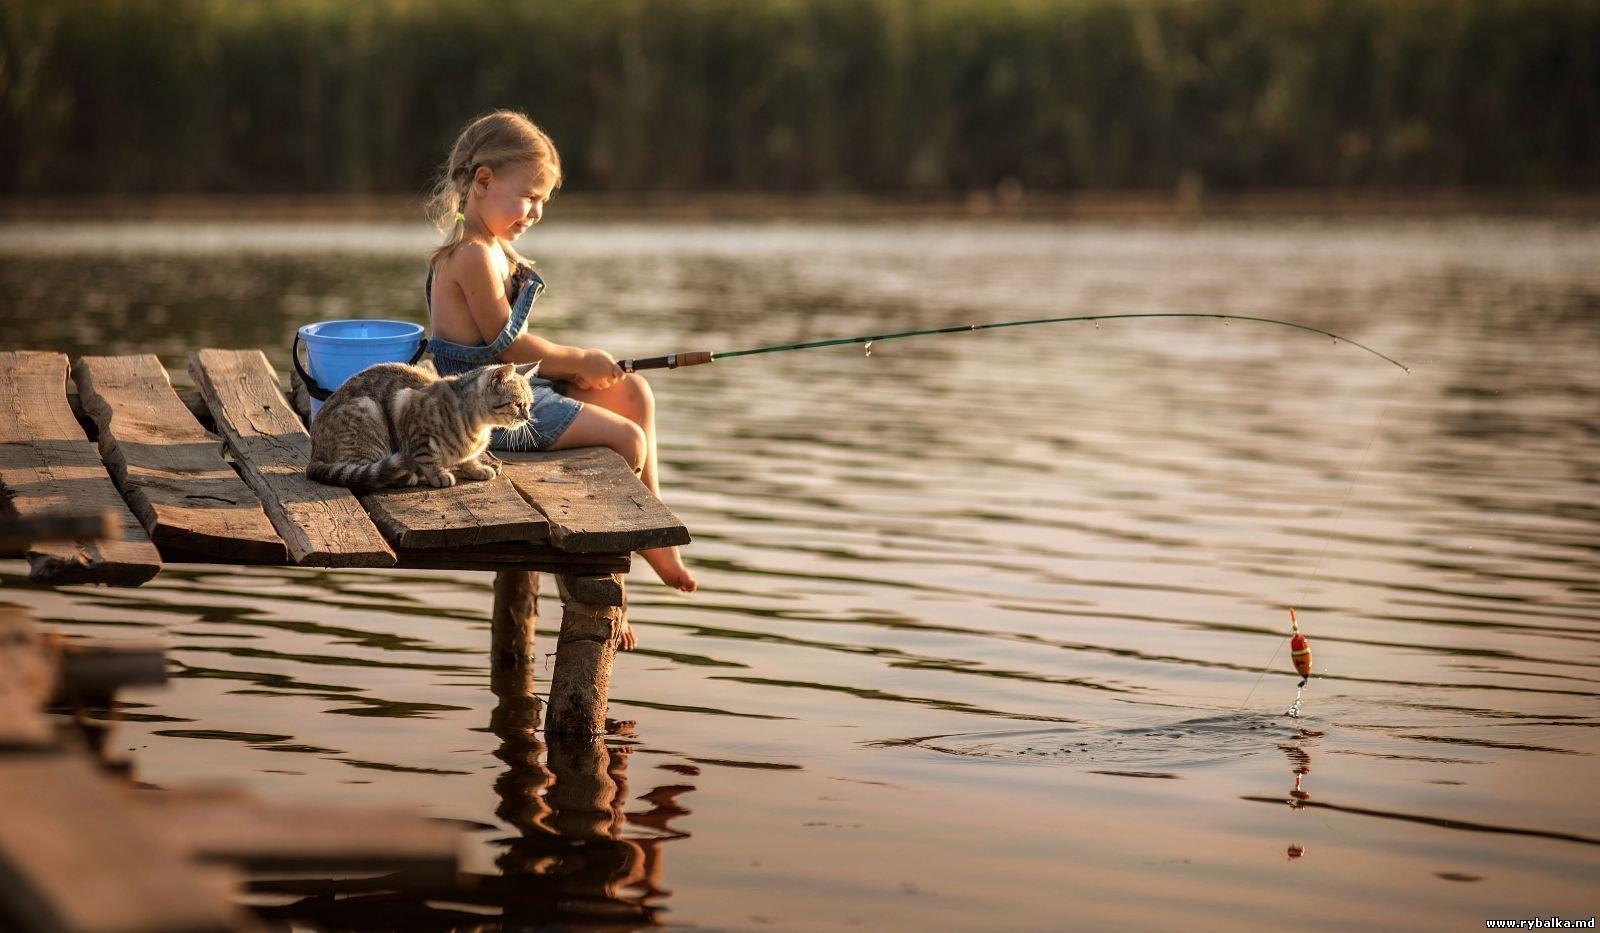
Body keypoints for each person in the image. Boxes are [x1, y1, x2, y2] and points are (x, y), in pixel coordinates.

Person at [423, 110, 695, 592]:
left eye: (543, 201)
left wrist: (579, 369)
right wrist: (580, 359)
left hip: (511, 385)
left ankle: (656, 532)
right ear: (483, 180)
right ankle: (598, 565)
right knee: (629, 441)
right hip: (486, 413)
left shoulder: (492, 245)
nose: (536, 212)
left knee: (634, 393)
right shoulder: (470, 255)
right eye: (529, 197)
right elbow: (510, 345)